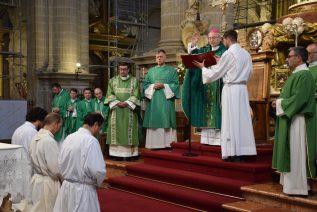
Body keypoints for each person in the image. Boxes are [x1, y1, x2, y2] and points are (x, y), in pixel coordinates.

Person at [193, 29, 256, 161]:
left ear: (227, 39)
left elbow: (215, 74)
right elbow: (250, 73)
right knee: (242, 121)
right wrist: (223, 62)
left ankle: (233, 153)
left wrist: (202, 68)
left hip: (231, 90)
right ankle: (245, 151)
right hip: (242, 89)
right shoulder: (246, 54)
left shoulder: (229, 53)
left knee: (231, 121)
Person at [272, 46, 316, 196]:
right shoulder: (297, 73)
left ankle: (298, 187)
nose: (287, 58)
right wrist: (279, 101)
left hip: (298, 119)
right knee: (291, 151)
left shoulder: (304, 75)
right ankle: (292, 186)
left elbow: (300, 98)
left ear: (299, 58)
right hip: (291, 116)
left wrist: (279, 103)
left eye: (290, 56)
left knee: (295, 152)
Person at [53, 113, 106, 212]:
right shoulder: (91, 141)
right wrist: (98, 182)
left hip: (66, 187)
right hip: (83, 190)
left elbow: (60, 161)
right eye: (100, 128)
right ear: (95, 125)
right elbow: (97, 170)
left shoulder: (69, 137)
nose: (99, 131)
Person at [183, 28, 226, 145]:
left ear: (219, 38)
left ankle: (218, 141)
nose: (211, 40)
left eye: (214, 38)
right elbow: (193, 55)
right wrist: (193, 44)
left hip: (218, 85)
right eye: (210, 38)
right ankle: (207, 140)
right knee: (205, 111)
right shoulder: (205, 49)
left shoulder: (225, 51)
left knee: (217, 110)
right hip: (205, 85)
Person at [11, 107, 48, 209]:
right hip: (28, 169)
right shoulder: (32, 133)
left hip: (18, 167)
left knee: (19, 202)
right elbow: (34, 154)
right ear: (39, 120)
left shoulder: (18, 129)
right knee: (29, 203)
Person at [143, 49, 180, 149]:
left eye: (161, 56)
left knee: (166, 118)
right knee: (154, 120)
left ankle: (168, 144)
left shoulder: (171, 71)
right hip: (154, 101)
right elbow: (145, 85)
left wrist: (164, 85)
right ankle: (154, 145)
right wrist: (152, 86)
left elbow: (176, 85)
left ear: (165, 57)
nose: (159, 58)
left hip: (166, 101)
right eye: (157, 57)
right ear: (155, 58)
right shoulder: (151, 71)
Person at [105, 63, 140, 159]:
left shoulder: (134, 81)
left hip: (129, 110)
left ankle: (130, 155)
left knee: (129, 131)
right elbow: (109, 93)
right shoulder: (112, 81)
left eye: (124, 69)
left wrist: (127, 103)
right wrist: (117, 103)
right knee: (115, 131)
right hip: (116, 109)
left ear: (128, 70)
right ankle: (115, 154)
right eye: (120, 69)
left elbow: (136, 94)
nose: (122, 71)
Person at [29, 113, 63, 212]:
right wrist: (63, 179)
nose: (59, 129)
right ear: (55, 124)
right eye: (59, 126)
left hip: (37, 180)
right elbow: (56, 168)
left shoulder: (35, 137)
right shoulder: (49, 141)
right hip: (48, 183)